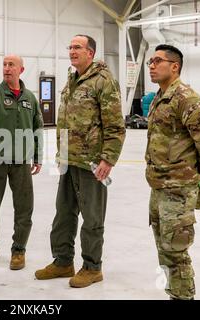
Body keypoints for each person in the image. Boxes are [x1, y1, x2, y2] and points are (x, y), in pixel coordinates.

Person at [35, 35, 126, 288]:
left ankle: (92, 267)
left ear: (91, 53)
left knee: (92, 217)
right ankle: (63, 261)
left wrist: (108, 159)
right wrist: (60, 155)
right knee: (63, 214)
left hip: (92, 163)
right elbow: (65, 122)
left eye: (78, 47)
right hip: (68, 160)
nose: (72, 51)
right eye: (70, 47)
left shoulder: (103, 81)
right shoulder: (72, 80)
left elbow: (116, 126)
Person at [145, 44, 200, 300]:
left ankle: (183, 297)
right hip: (158, 187)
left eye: (157, 61)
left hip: (177, 190)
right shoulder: (159, 96)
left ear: (174, 66)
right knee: (163, 248)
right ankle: (173, 293)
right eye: (150, 62)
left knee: (176, 250)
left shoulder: (187, 99)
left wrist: (195, 176)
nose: (151, 66)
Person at [0, 55, 44, 270]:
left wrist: (38, 156)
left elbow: (37, 128)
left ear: (21, 70)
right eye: (4, 65)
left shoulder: (30, 98)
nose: (6, 68)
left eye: (11, 65)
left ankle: (19, 250)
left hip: (21, 161)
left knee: (24, 208)